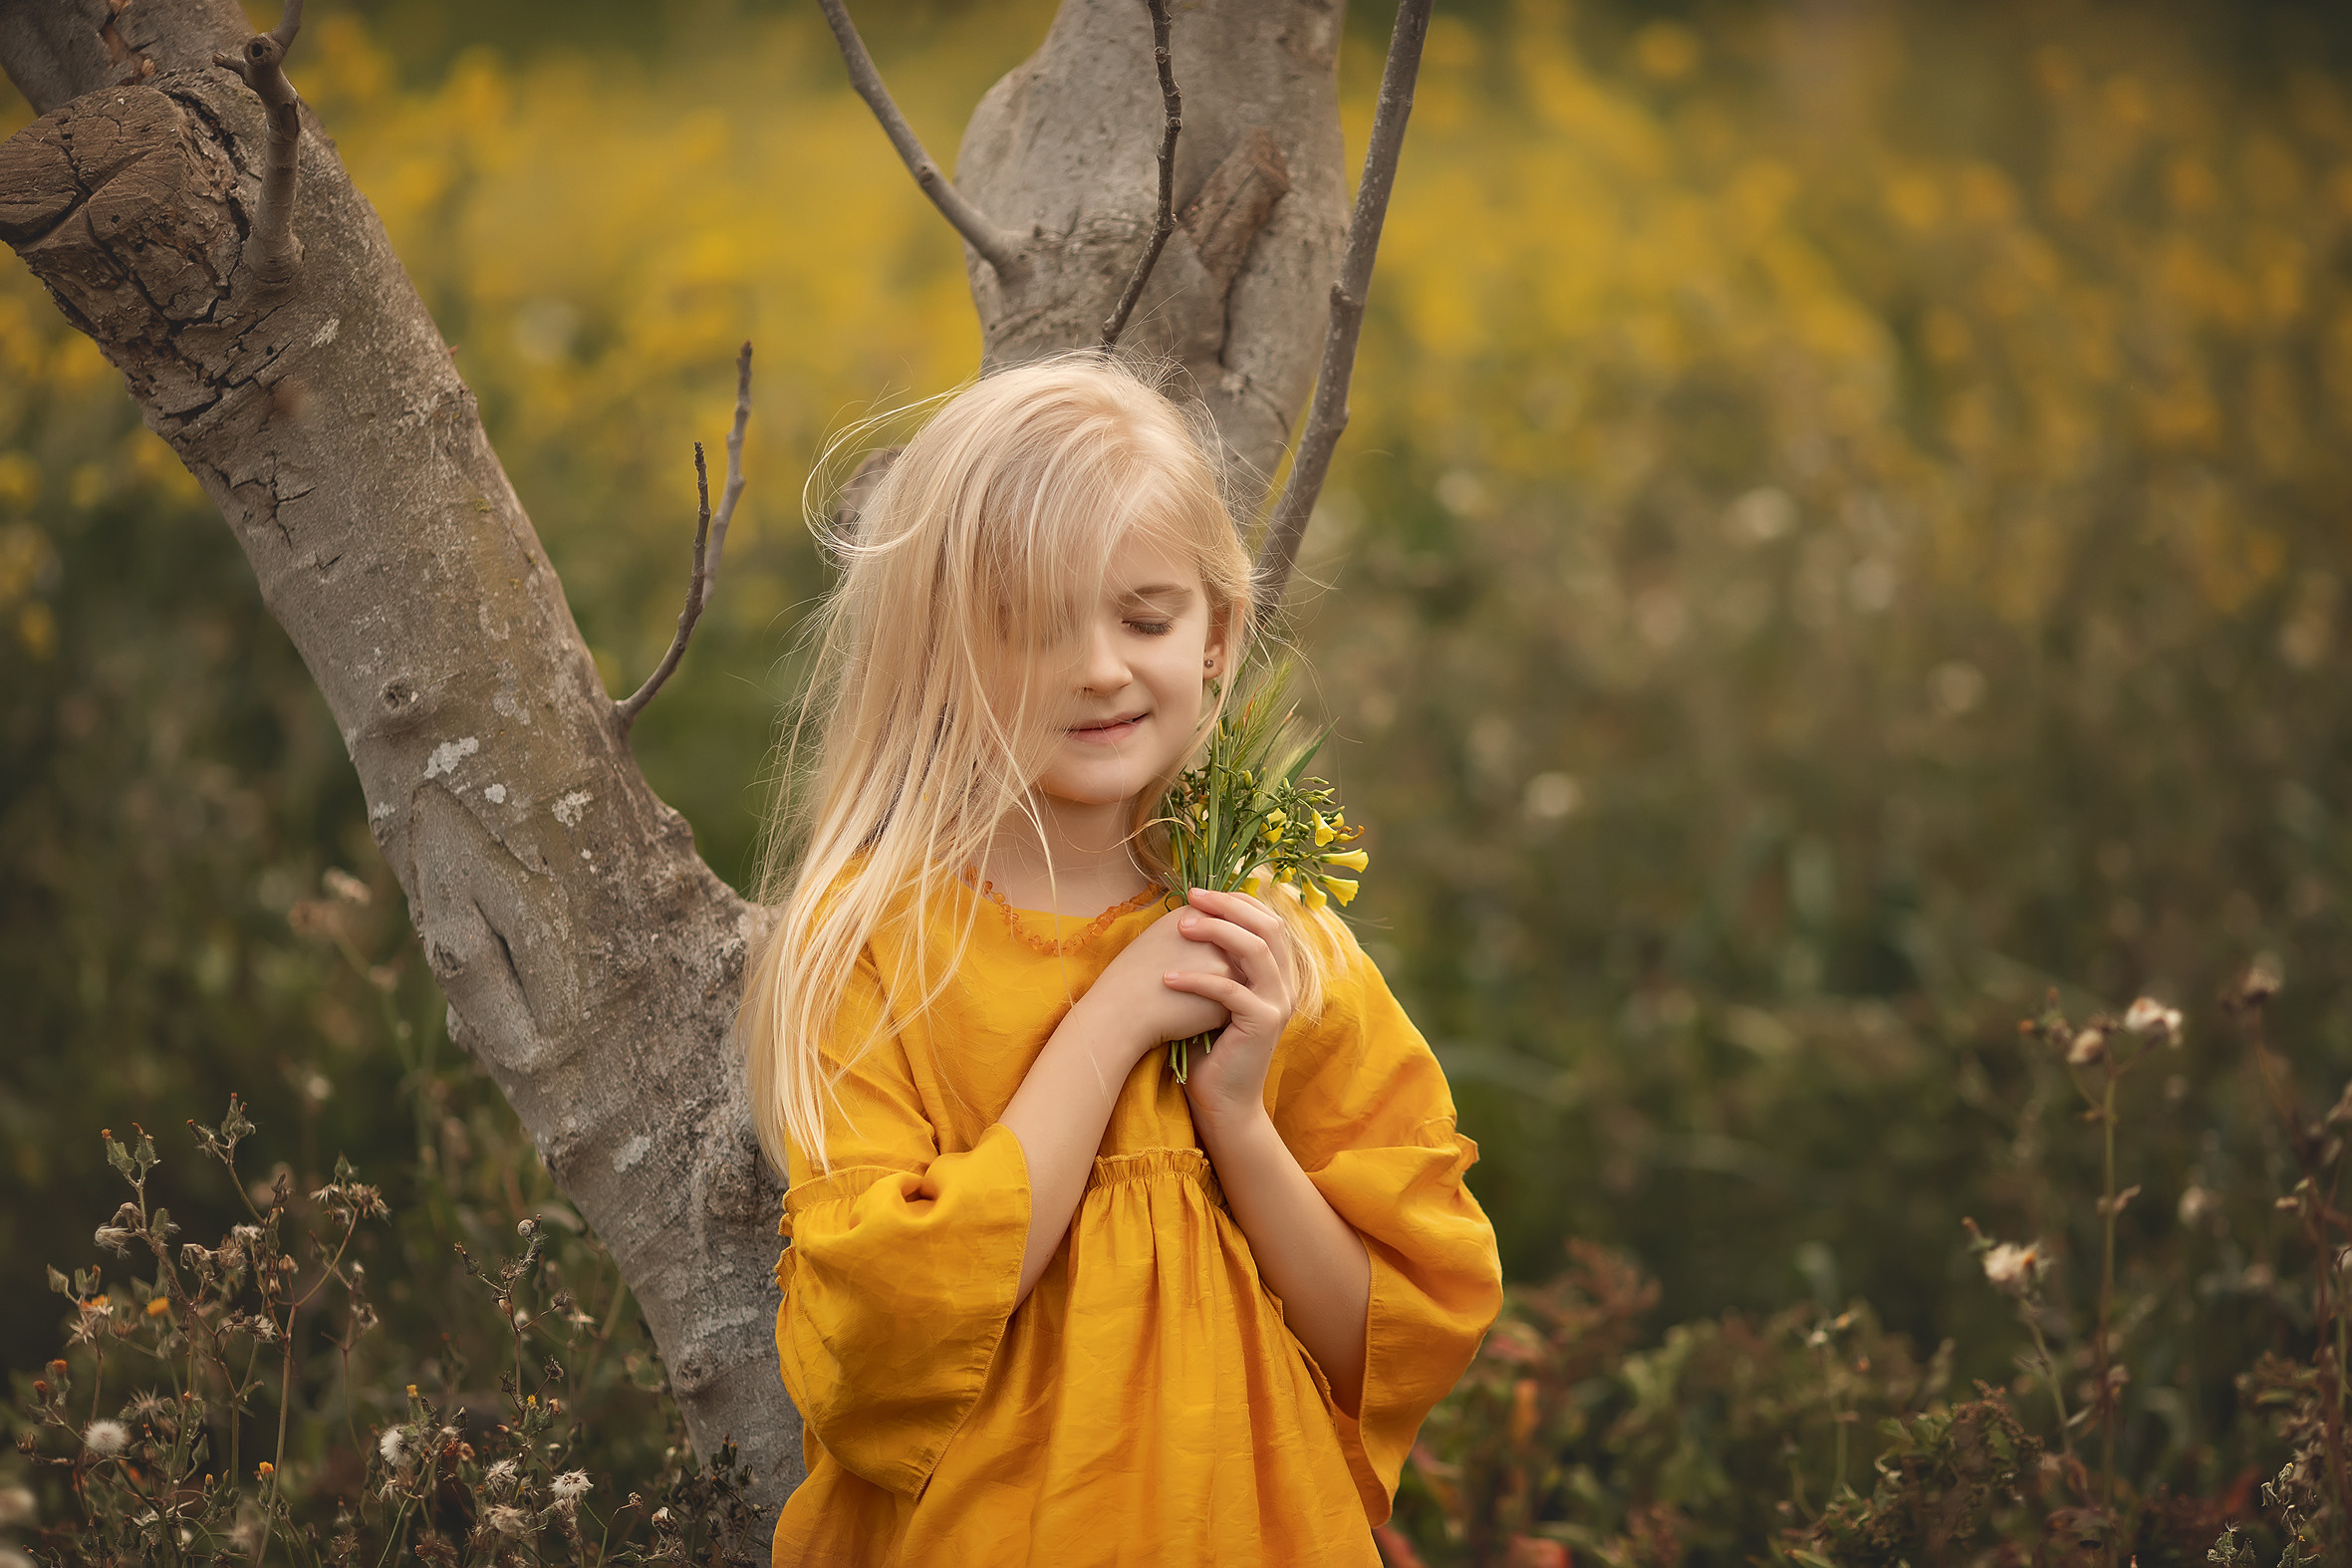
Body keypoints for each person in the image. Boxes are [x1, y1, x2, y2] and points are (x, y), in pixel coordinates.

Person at [739, 354, 1503, 1565]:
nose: (1101, 665)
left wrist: (1238, 1114)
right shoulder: (875, 942)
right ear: (937, 649)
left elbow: (1387, 1338)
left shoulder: (1272, 936)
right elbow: (878, 1332)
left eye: (1145, 617)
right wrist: (1109, 1024)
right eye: (1036, 627)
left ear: (1217, 633)